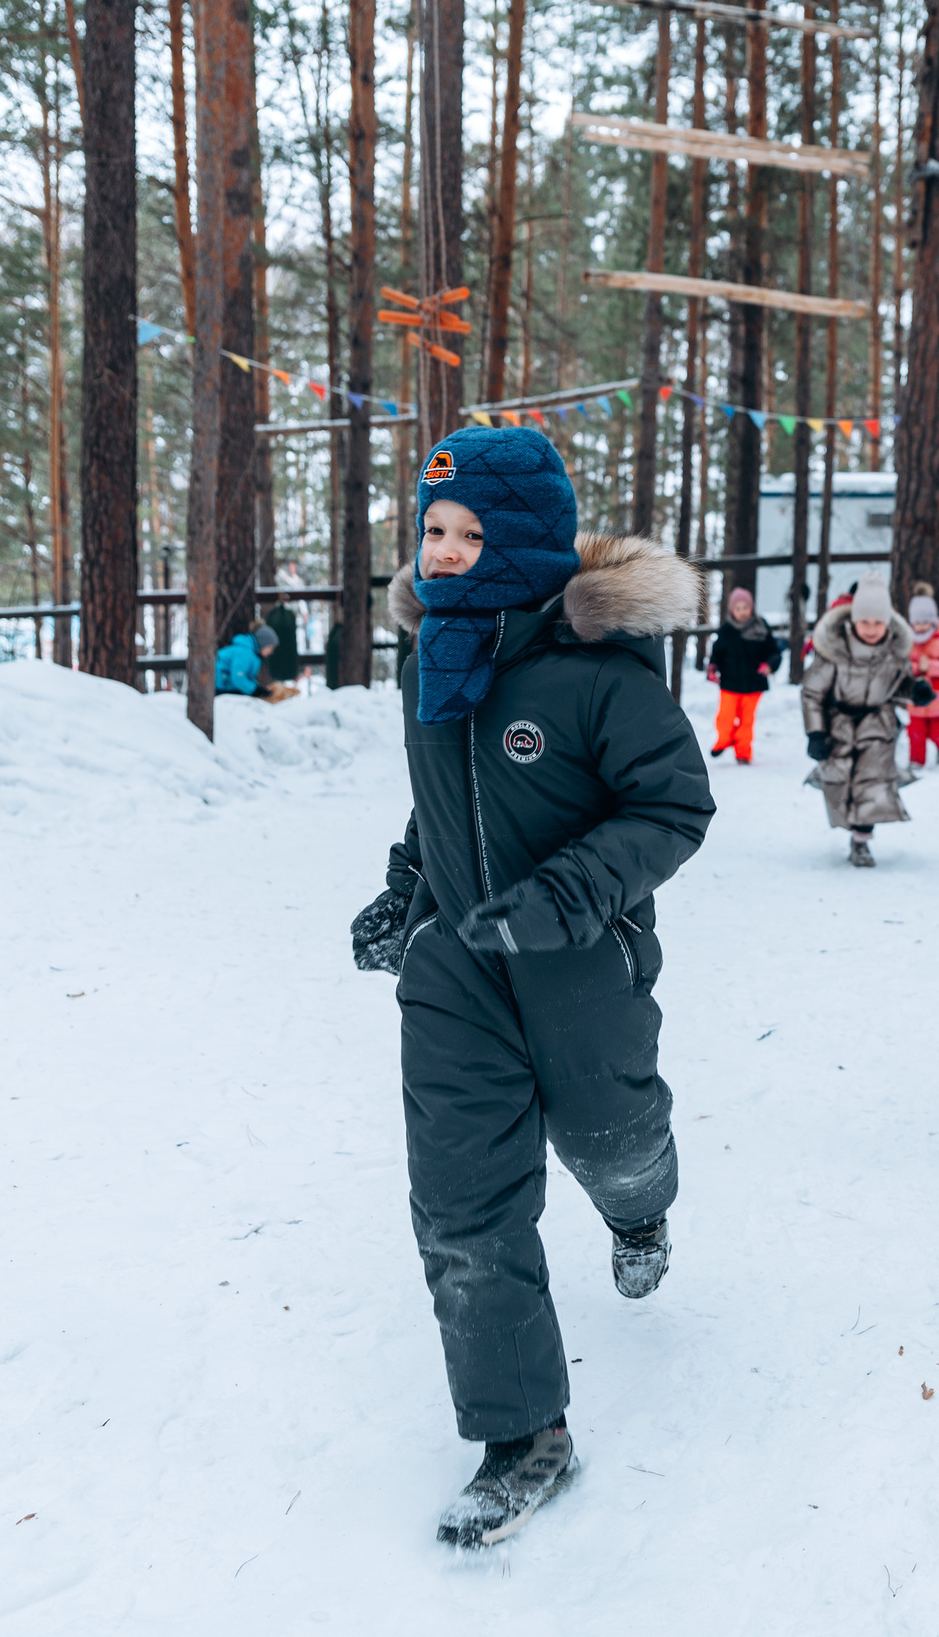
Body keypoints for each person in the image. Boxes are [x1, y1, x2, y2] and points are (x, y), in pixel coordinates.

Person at [345, 426, 711, 1549]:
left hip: (580, 963)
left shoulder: (598, 676)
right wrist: (405, 898)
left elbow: (671, 810)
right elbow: (440, 804)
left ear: (531, 542)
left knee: (610, 1134)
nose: (445, 553)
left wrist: (565, 898)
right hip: (455, 971)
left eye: (470, 535)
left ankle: (639, 1207)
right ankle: (524, 1436)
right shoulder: (432, 662)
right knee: (461, 1203)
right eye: (434, 531)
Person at [801, 579, 932, 867]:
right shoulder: (834, 650)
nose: (871, 629)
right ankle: (831, 789)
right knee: (841, 779)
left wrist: (915, 691)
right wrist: (815, 733)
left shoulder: (894, 653)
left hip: (878, 724)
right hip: (839, 724)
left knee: (872, 783)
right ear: (853, 621)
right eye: (865, 622)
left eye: (878, 622)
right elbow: (812, 693)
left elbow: (899, 685)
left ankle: (861, 841)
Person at [705, 586, 781, 764]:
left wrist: (770, 665)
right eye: (738, 608)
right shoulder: (726, 630)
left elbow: (774, 652)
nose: (742, 612)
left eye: (745, 608)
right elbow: (716, 653)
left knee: (747, 721)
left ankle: (743, 752)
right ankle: (724, 740)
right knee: (725, 717)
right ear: (732, 610)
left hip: (754, 683)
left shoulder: (760, 627)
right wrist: (712, 667)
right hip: (730, 683)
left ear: (751, 608)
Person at [906, 593, 939, 766]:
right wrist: (917, 668)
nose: (920, 627)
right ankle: (916, 761)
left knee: (938, 732)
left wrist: (929, 665)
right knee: (916, 731)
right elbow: (904, 666)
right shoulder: (909, 642)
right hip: (917, 699)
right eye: (917, 622)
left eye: (924, 622)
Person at [216, 622, 300, 703]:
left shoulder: (252, 654)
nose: (271, 651)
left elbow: (247, 677)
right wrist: (256, 691)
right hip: (218, 686)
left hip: (225, 686)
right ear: (263, 643)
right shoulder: (244, 653)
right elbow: (238, 678)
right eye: (271, 647)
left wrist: (258, 689)